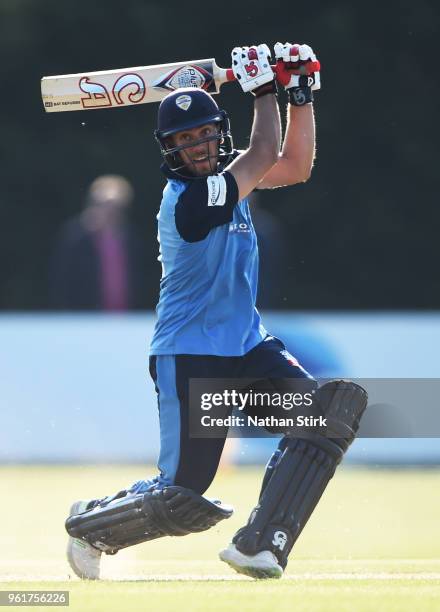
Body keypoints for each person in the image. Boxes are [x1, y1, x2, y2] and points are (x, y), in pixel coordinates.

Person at [65, 42, 367, 580]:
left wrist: (297, 94)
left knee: (326, 416)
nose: (198, 145)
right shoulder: (190, 199)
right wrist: (264, 92)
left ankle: (261, 543)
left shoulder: (235, 181)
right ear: (170, 150)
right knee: (181, 497)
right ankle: (94, 524)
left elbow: (293, 165)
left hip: (249, 347)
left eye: (204, 133)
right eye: (184, 140)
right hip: (190, 356)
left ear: (217, 132)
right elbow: (262, 151)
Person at [50, 174, 148, 311]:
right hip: (84, 317)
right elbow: (62, 281)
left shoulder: (130, 237)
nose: (110, 211)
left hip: (126, 317)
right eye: (104, 205)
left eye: (116, 206)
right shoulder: (76, 237)